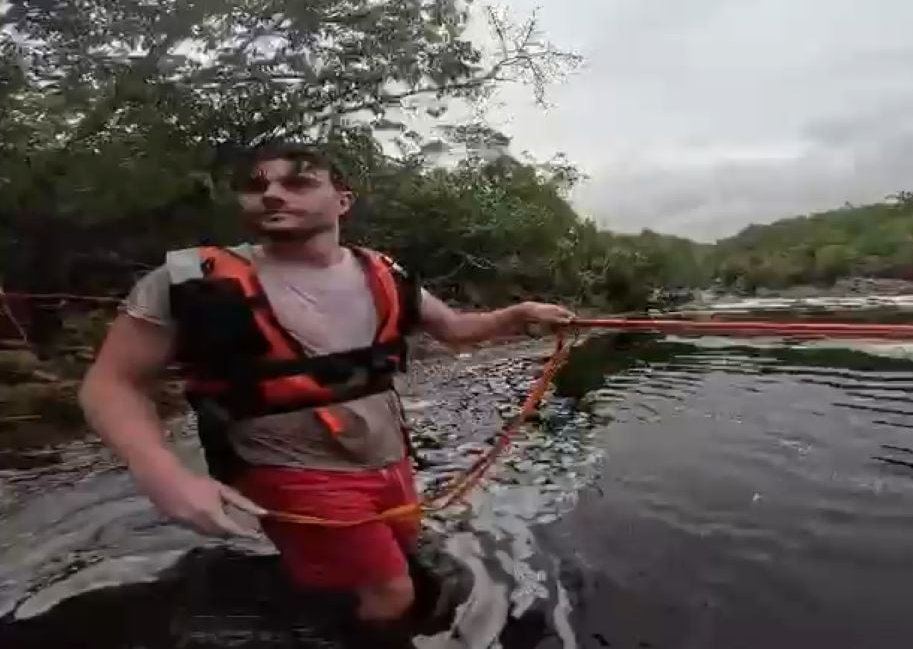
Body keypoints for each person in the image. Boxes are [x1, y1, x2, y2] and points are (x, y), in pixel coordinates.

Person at [78, 142, 574, 639]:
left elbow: (456, 330)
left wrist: (518, 315)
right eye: (256, 186)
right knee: (391, 593)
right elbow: (110, 384)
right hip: (285, 467)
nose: (272, 194)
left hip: (388, 460)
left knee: (399, 552)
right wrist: (165, 475)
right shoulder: (188, 277)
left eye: (298, 182)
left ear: (343, 201)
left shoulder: (385, 271)